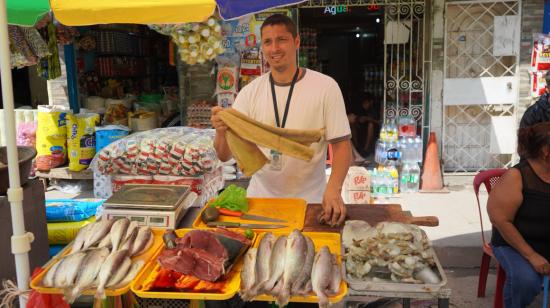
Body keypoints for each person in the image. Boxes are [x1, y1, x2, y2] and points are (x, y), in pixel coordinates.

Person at [211, 13, 352, 226]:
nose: (274, 48)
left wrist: (333, 190)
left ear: (296, 42)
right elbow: (223, 155)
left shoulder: (325, 87)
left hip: (311, 203)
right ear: (262, 47)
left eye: (282, 40)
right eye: (268, 42)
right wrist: (221, 130)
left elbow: (341, 146)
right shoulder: (250, 93)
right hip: (259, 203)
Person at [488, 122, 550, 308]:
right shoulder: (516, 176)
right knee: (526, 281)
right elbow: (500, 219)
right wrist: (531, 255)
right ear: (546, 151)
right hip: (514, 245)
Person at [347, 92, 379, 157]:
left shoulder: (375, 109)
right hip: (361, 127)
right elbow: (355, 117)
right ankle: (356, 147)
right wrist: (359, 119)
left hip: (373, 128)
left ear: (371, 102)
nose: (365, 104)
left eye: (366, 103)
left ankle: (365, 149)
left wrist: (368, 119)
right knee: (352, 124)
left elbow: (379, 122)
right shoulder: (360, 108)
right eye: (364, 103)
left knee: (371, 125)